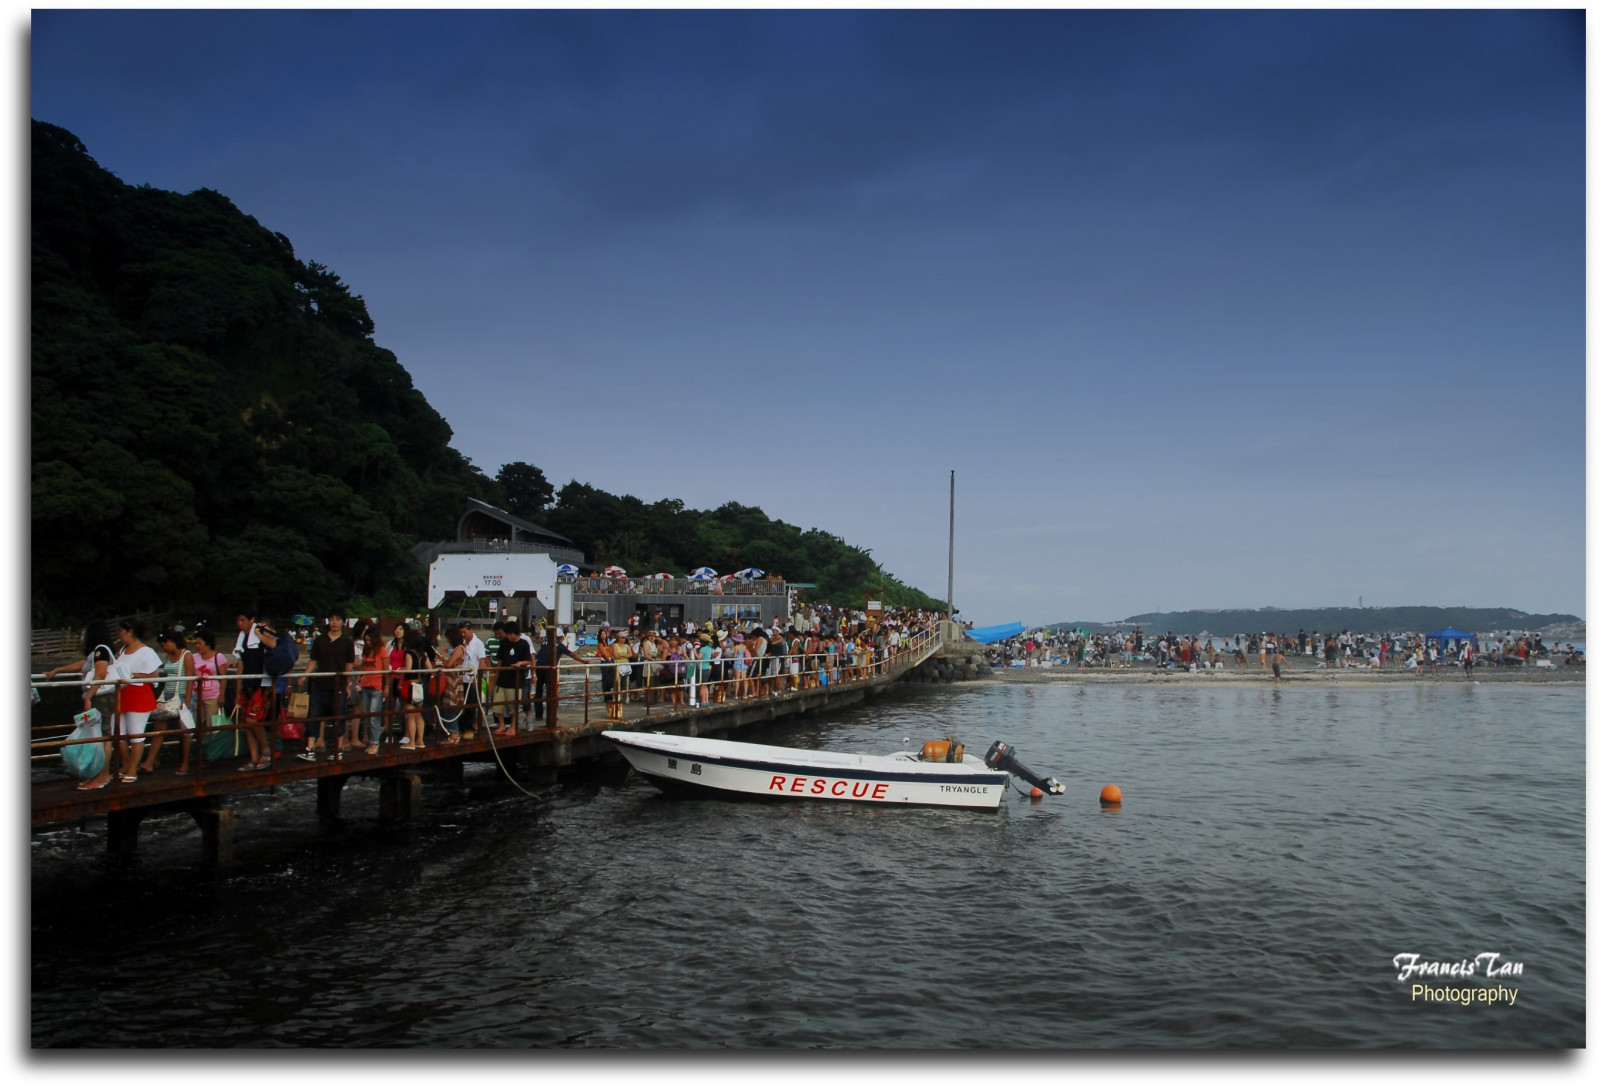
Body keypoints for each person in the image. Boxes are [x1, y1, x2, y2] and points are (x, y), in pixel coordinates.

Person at [107, 619, 163, 785]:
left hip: (138, 694)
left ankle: (132, 768)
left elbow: (154, 677)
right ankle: (127, 763)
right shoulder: (122, 650)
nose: (120, 635)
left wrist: (134, 676)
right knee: (118, 733)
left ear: (129, 631)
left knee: (136, 733)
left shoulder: (147, 652)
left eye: (121, 632)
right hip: (122, 694)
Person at [297, 611, 355, 762]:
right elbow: (313, 660)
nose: (334, 622)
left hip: (338, 684)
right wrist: (305, 675)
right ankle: (310, 748)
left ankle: (338, 749)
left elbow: (349, 664)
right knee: (314, 715)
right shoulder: (320, 640)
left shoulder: (347, 642)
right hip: (320, 683)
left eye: (337, 619)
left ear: (343, 622)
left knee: (339, 717)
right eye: (332, 619)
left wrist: (348, 684)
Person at [69, 620, 119, 791]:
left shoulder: (101, 651)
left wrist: (88, 697)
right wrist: (57, 670)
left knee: (103, 736)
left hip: (102, 698)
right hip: (103, 698)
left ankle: (102, 775)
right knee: (101, 735)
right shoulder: (98, 652)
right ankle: (99, 773)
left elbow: (100, 674)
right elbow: (83, 665)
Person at [139, 630, 195, 776]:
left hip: (182, 695)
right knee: (159, 727)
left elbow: (190, 678)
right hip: (169, 694)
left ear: (170, 642)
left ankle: (184, 764)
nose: (163, 648)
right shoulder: (170, 656)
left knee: (184, 731)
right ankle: (151, 761)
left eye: (164, 645)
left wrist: (187, 701)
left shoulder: (186, 655)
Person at [355, 623, 389, 754]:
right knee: (368, 715)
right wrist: (359, 677)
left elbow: (386, 670)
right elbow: (364, 666)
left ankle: (375, 743)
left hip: (377, 686)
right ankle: (370, 740)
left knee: (374, 716)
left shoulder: (382, 650)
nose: (368, 642)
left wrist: (387, 686)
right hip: (366, 685)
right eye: (366, 640)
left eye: (370, 640)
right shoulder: (366, 650)